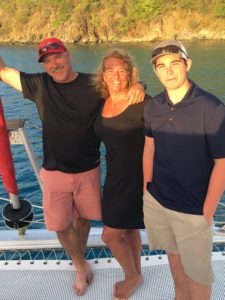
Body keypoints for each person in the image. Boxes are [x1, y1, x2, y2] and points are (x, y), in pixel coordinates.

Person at [0, 38, 145, 296]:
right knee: (60, 224)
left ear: (67, 55)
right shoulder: (39, 85)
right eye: (46, 60)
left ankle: (85, 260)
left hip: (89, 169)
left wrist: (139, 85)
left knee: (86, 219)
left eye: (57, 56)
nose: (53, 64)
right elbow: (2, 71)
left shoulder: (94, 84)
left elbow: (120, 87)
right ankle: (80, 264)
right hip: (54, 171)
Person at [143, 40, 225, 300]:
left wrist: (208, 210)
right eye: (161, 66)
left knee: (199, 276)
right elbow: (149, 148)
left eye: (175, 64)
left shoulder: (211, 108)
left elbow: (222, 163)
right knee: (174, 260)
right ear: (155, 71)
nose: (168, 71)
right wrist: (148, 187)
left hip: (193, 210)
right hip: (159, 201)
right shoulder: (153, 105)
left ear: (187, 64)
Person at [94, 48, 150, 300]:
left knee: (110, 234)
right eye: (110, 70)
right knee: (129, 229)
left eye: (122, 70)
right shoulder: (101, 100)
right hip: (114, 176)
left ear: (130, 73)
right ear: (103, 75)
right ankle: (136, 273)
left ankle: (132, 276)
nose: (116, 75)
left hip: (136, 178)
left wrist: (142, 84)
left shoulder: (142, 101)